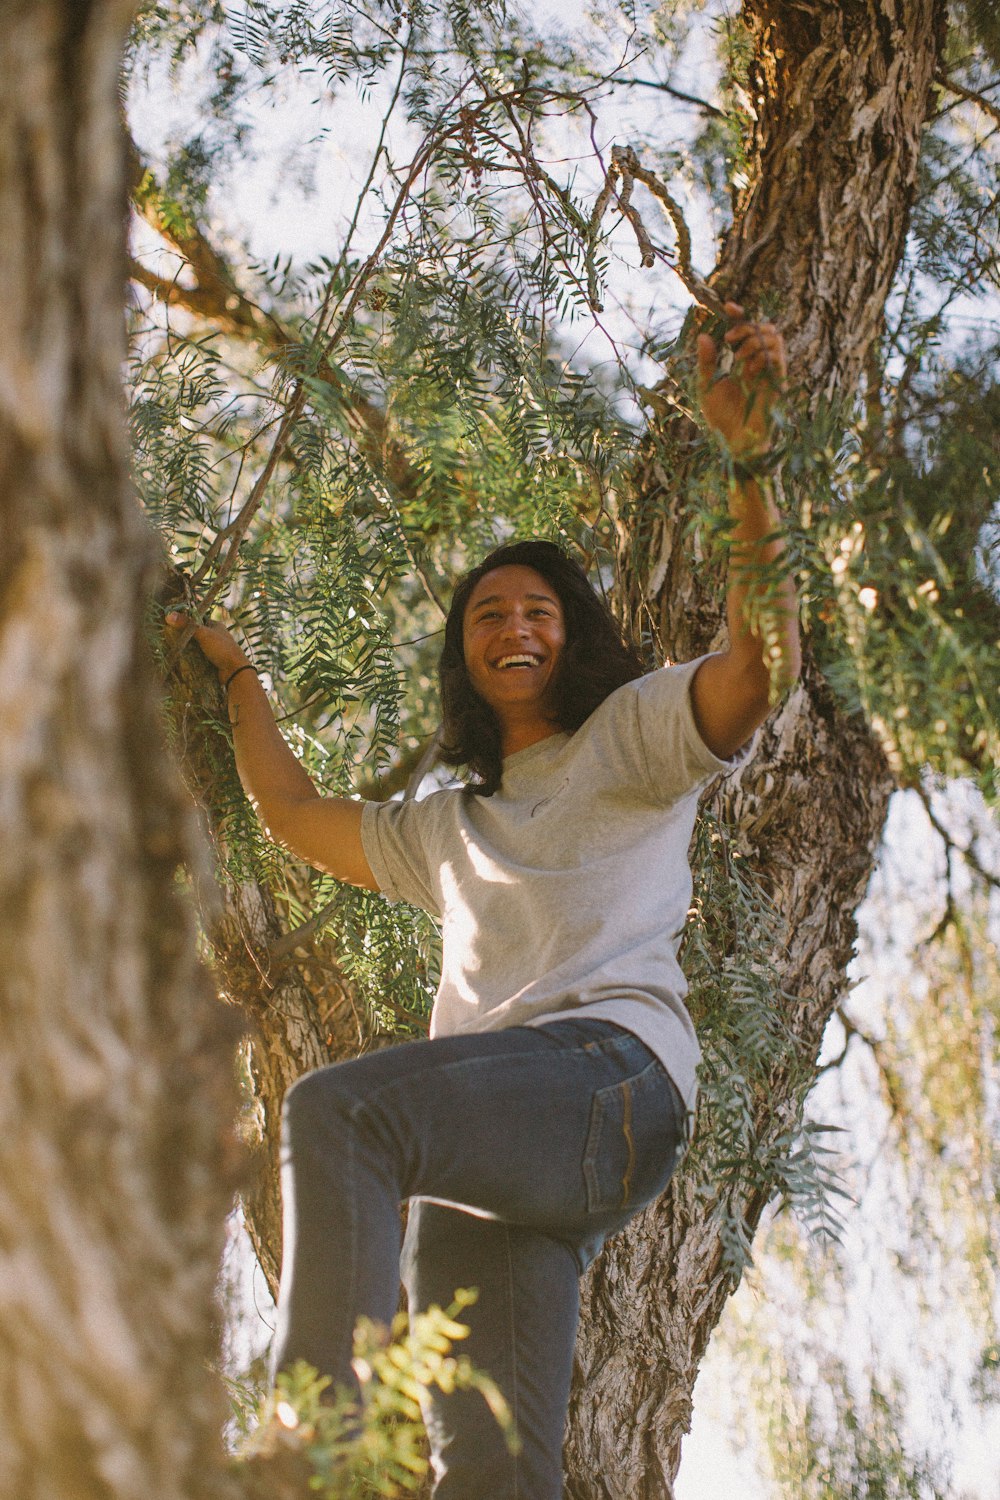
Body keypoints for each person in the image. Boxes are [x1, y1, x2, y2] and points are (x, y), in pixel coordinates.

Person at [167, 304, 799, 1499]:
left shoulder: (634, 735)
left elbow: (760, 663)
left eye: (538, 610)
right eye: (487, 614)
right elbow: (296, 818)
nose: (513, 625)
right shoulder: (447, 827)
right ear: (464, 656)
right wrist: (241, 675)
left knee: (342, 1114)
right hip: (492, 1166)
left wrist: (753, 464)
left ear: (573, 638)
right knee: (494, 1473)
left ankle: (309, 1452)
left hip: (610, 1081)